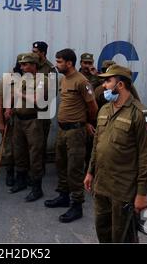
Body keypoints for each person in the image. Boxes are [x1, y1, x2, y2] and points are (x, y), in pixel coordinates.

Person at [84, 64, 147, 243]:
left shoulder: (141, 115)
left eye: (108, 81)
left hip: (123, 190)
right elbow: (97, 144)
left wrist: (142, 194)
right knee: (103, 231)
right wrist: (90, 172)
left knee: (123, 236)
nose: (104, 86)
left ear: (121, 85)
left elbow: (146, 157)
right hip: (101, 186)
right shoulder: (104, 109)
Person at [44, 49, 98, 222]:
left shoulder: (82, 82)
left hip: (76, 131)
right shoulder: (64, 80)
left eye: (59, 62)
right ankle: (63, 196)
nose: (57, 64)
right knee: (61, 164)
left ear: (69, 63)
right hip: (63, 130)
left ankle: (77, 206)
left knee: (74, 169)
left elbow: (93, 107)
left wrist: (87, 123)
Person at [7, 53, 49, 202]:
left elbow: (37, 100)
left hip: (34, 121)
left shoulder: (42, 80)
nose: (22, 67)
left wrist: (20, 93)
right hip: (18, 120)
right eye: (22, 65)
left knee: (35, 154)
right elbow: (13, 95)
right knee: (19, 151)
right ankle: (21, 181)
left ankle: (37, 189)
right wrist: (9, 108)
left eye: (25, 64)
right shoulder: (22, 79)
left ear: (33, 65)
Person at [0, 54, 24, 186]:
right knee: (9, 148)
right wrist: (1, 122)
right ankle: (9, 172)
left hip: (26, 120)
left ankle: (22, 175)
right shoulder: (7, 78)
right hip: (10, 120)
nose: (24, 66)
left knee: (24, 148)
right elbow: (0, 101)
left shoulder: (32, 78)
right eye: (22, 63)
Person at [32, 41, 58, 176]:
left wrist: (39, 95)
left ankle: (39, 171)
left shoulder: (50, 69)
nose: (33, 54)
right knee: (30, 143)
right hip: (29, 111)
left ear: (43, 53)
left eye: (35, 52)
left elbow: (53, 92)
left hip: (43, 111)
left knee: (40, 143)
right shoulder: (30, 65)